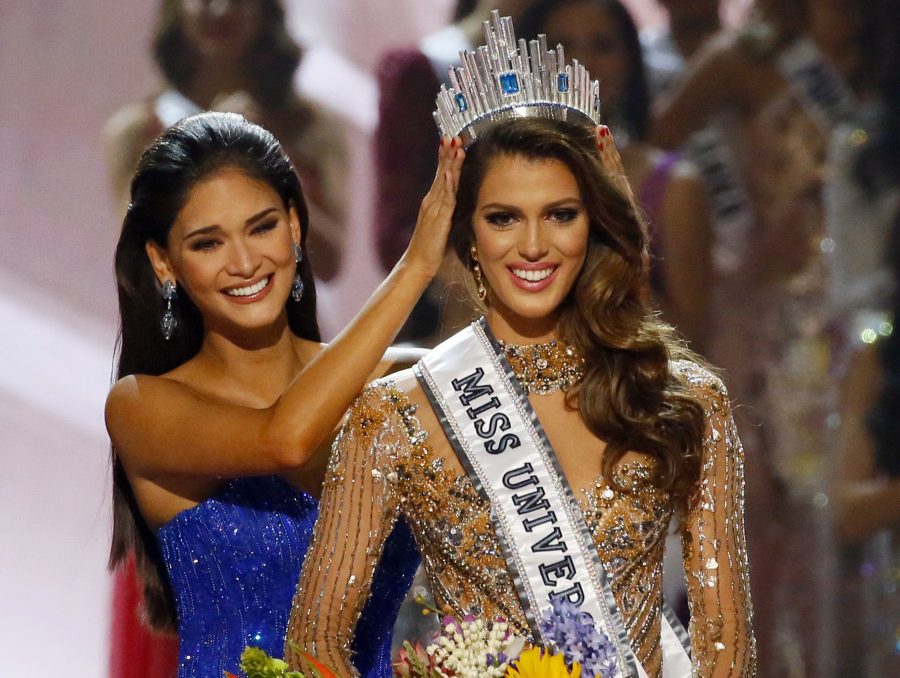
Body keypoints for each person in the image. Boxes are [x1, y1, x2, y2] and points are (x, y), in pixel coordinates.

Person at [286, 18, 755, 677]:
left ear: (595, 224)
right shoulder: (394, 415)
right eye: (503, 216)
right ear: (466, 233)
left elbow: (725, 650)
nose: (532, 245)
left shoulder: (685, 402)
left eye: (560, 214)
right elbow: (315, 643)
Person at [105, 111, 464, 677]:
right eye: (207, 243)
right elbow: (286, 439)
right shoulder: (140, 406)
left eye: (261, 227)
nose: (245, 262)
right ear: (163, 262)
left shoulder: (403, 384)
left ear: (295, 226)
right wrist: (415, 267)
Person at [103, 0, 346, 282]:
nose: (221, 9)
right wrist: (211, 148)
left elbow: (328, 263)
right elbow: (142, 263)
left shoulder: (310, 127)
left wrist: (263, 162)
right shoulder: (136, 132)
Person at [518, 0, 712, 348]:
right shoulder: (492, 178)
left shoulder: (675, 186)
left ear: (629, 62)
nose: (581, 63)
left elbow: (692, 339)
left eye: (603, 45)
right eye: (560, 47)